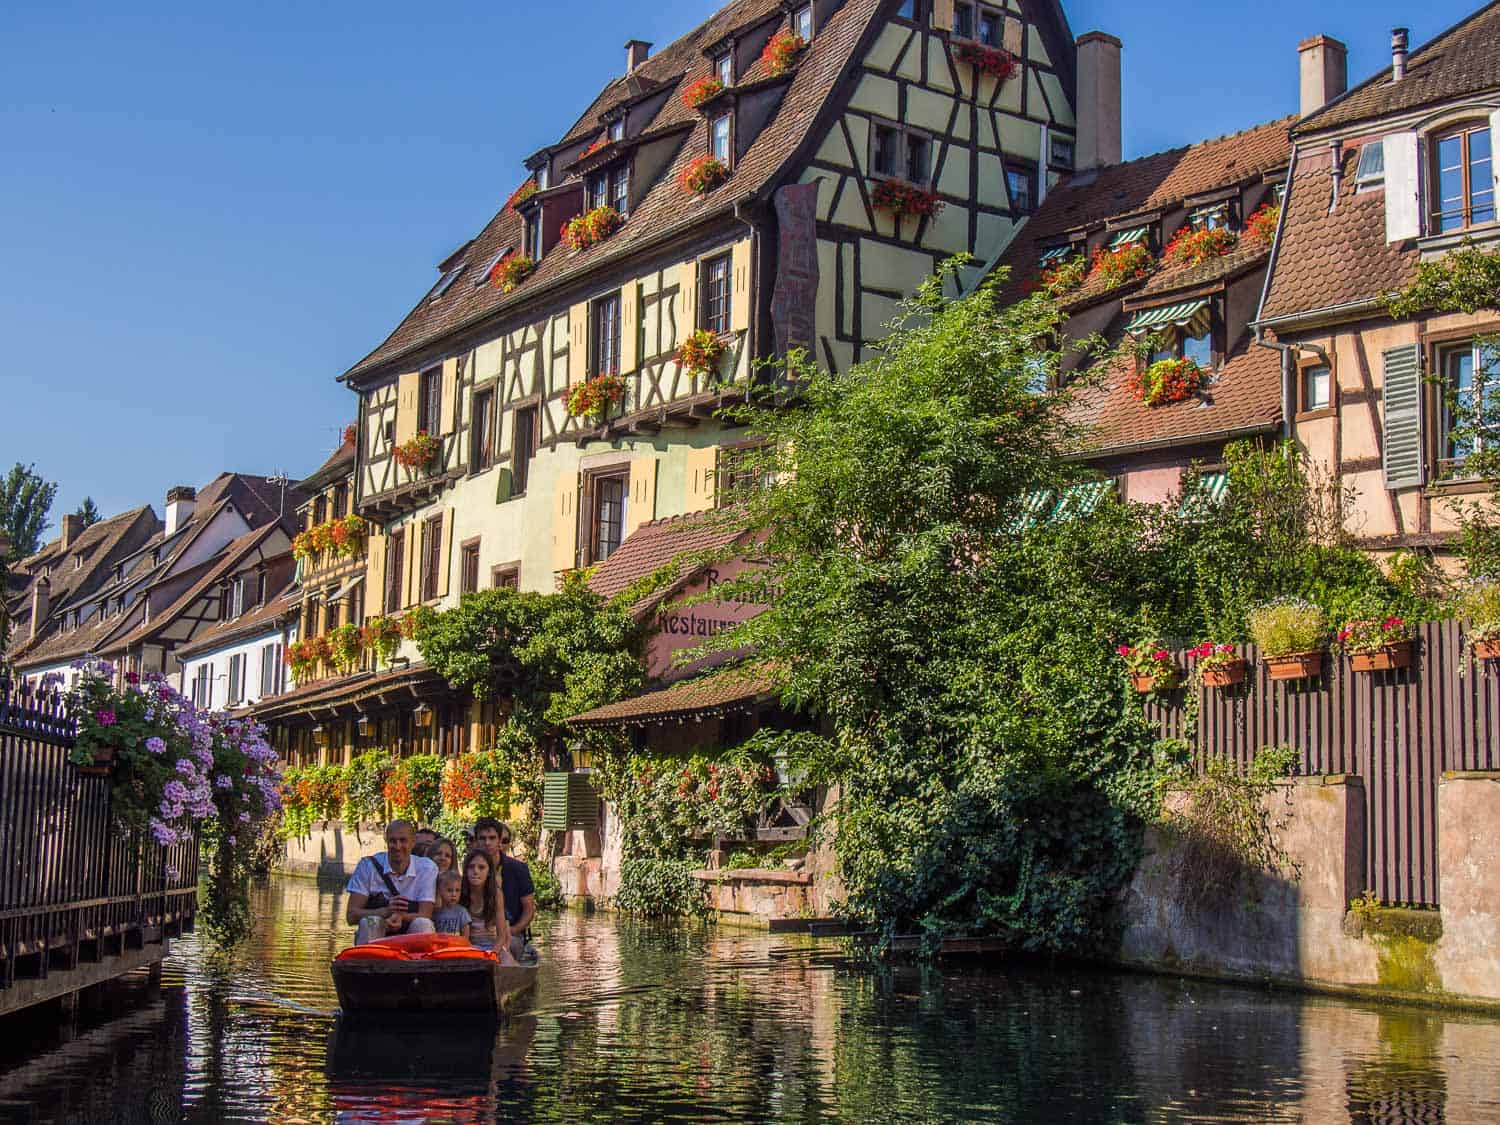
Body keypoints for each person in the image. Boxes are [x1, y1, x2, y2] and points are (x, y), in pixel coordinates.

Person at [344, 819, 438, 945]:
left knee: (423, 924)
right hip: (377, 931)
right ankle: (366, 962)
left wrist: (401, 917)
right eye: (392, 841)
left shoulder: (427, 868)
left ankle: (420, 963)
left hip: (411, 932)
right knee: (370, 922)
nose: (398, 847)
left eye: (403, 841)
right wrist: (384, 912)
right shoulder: (367, 867)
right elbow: (351, 915)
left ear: (412, 842)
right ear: (386, 841)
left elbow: (425, 914)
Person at [474, 817, 535, 961]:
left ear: (500, 840)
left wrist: (512, 931)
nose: (487, 843)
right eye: (482, 838)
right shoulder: (471, 867)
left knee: (511, 945)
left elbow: (529, 910)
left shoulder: (518, 869)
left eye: (492, 838)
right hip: (478, 934)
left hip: (511, 933)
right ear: (476, 841)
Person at [458, 848, 509, 954]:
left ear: (489, 872)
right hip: (466, 947)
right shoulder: (458, 892)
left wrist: (492, 954)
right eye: (471, 867)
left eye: (481, 867)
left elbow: (501, 936)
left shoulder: (496, 894)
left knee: (509, 963)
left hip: (492, 946)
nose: (476, 871)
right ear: (465, 870)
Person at [430, 870, 473, 936]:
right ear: (440, 891)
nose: (454, 894)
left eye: (457, 890)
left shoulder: (461, 912)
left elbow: (466, 930)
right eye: (449, 890)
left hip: (457, 945)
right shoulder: (435, 913)